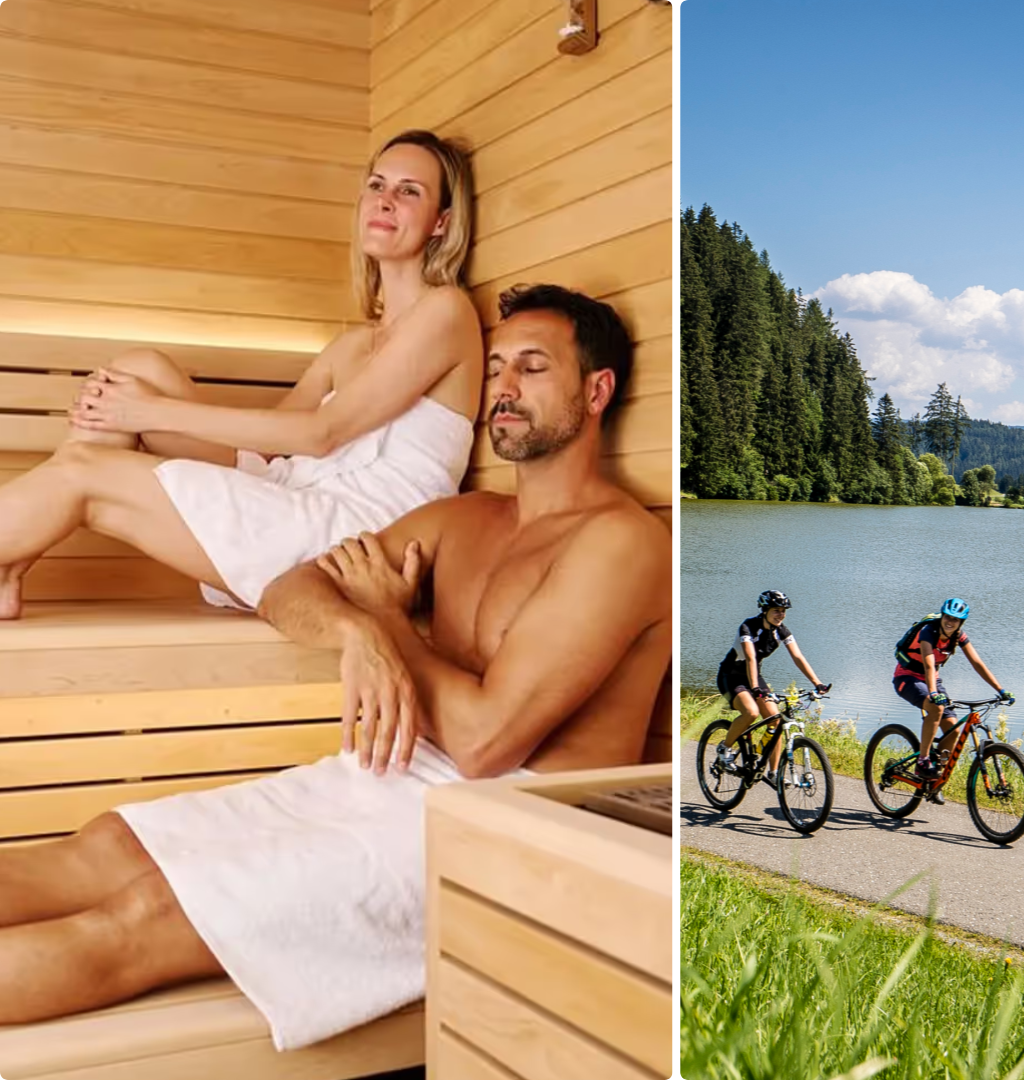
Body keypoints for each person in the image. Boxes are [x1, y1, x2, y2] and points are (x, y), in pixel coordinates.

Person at [0, 284, 670, 1050]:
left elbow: (489, 744)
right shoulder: (467, 521)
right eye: (494, 369)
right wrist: (357, 633)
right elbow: (292, 584)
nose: (504, 389)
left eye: (532, 367)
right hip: (387, 773)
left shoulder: (622, 545)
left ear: (596, 390)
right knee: (108, 847)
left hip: (507, 829)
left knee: (145, 912)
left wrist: (389, 623)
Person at [0, 129, 484, 618]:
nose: (385, 201)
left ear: (441, 222)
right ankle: (12, 563)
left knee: (86, 472)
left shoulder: (447, 312)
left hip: (359, 539)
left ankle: (9, 561)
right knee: (137, 369)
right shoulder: (352, 345)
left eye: (408, 191)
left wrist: (152, 412)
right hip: (294, 492)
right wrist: (143, 407)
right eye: (377, 186)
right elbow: (271, 448)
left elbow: (321, 434)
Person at [891, 597, 1011, 803]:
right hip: (907, 677)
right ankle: (923, 760)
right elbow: (929, 666)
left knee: (954, 730)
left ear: (961, 623)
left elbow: (977, 663)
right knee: (936, 708)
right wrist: (932, 693)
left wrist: (1000, 690)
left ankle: (935, 780)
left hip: (932, 682)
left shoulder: (959, 636)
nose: (950, 621)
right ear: (942, 616)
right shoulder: (928, 631)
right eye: (947, 617)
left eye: (956, 619)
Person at [715, 589, 829, 771]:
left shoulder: (781, 631)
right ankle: (724, 748)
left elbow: (798, 657)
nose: (781, 615)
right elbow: (750, 657)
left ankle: (774, 772)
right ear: (765, 610)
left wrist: (817, 683)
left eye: (783, 611)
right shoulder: (748, 627)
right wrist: (754, 688)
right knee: (751, 712)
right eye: (776, 610)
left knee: (775, 721)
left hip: (754, 677)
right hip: (731, 676)